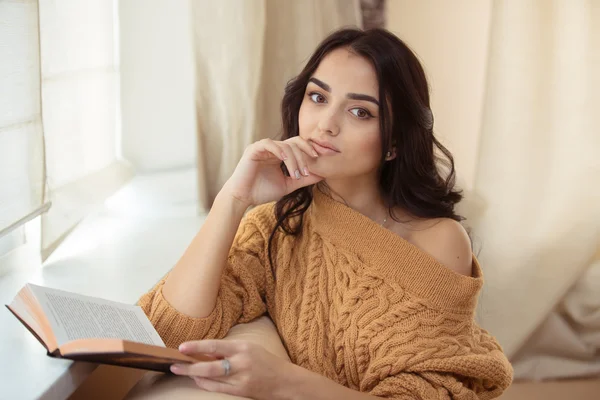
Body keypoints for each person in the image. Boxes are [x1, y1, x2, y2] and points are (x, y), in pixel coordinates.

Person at [138, 27, 513, 399]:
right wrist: (233, 199)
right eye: (317, 97)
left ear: (394, 144)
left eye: (359, 111)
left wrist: (283, 382)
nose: (325, 125)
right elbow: (168, 333)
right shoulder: (277, 227)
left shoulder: (438, 240)